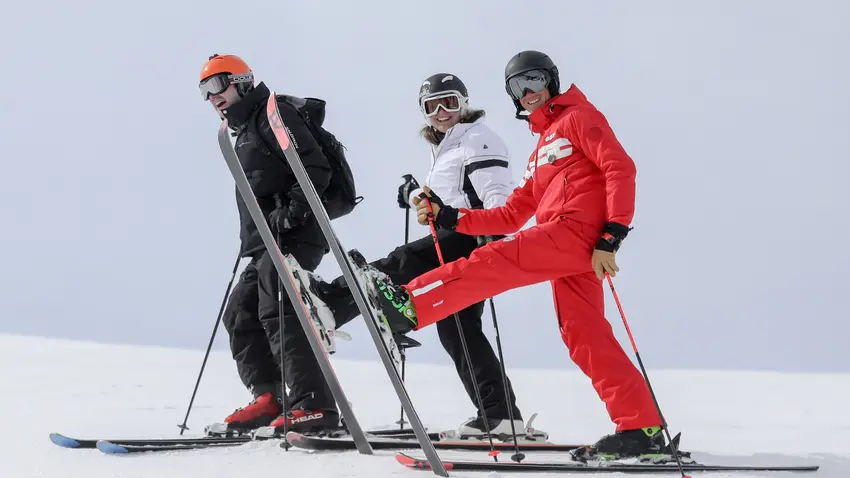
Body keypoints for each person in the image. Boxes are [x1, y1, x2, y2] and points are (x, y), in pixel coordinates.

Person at [361, 51, 667, 458]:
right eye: (516, 87)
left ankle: (410, 305)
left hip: (574, 234)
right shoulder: (543, 144)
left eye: (534, 81)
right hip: (572, 249)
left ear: (552, 80)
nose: (527, 93)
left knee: (493, 261)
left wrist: (612, 234)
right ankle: (640, 427)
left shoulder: (578, 117)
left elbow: (620, 168)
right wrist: (449, 215)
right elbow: (510, 215)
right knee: (583, 334)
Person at [310, 73, 546, 440]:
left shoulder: (477, 139)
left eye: (448, 103)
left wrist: (492, 235)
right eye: (431, 106)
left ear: (463, 103)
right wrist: (414, 195)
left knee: (402, 263)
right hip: (459, 233)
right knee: (459, 330)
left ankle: (330, 304)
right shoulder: (451, 144)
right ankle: (500, 415)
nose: (440, 112)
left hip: (470, 237)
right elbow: (449, 195)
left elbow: (496, 192)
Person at [198, 53, 342, 433]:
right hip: (267, 242)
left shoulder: (273, 114)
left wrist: (290, 215)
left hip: (296, 234)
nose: (211, 96)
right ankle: (270, 397)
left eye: (217, 84)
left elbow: (314, 168)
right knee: (241, 312)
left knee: (279, 307)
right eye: (204, 90)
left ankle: (314, 403)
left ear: (243, 80)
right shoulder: (246, 129)